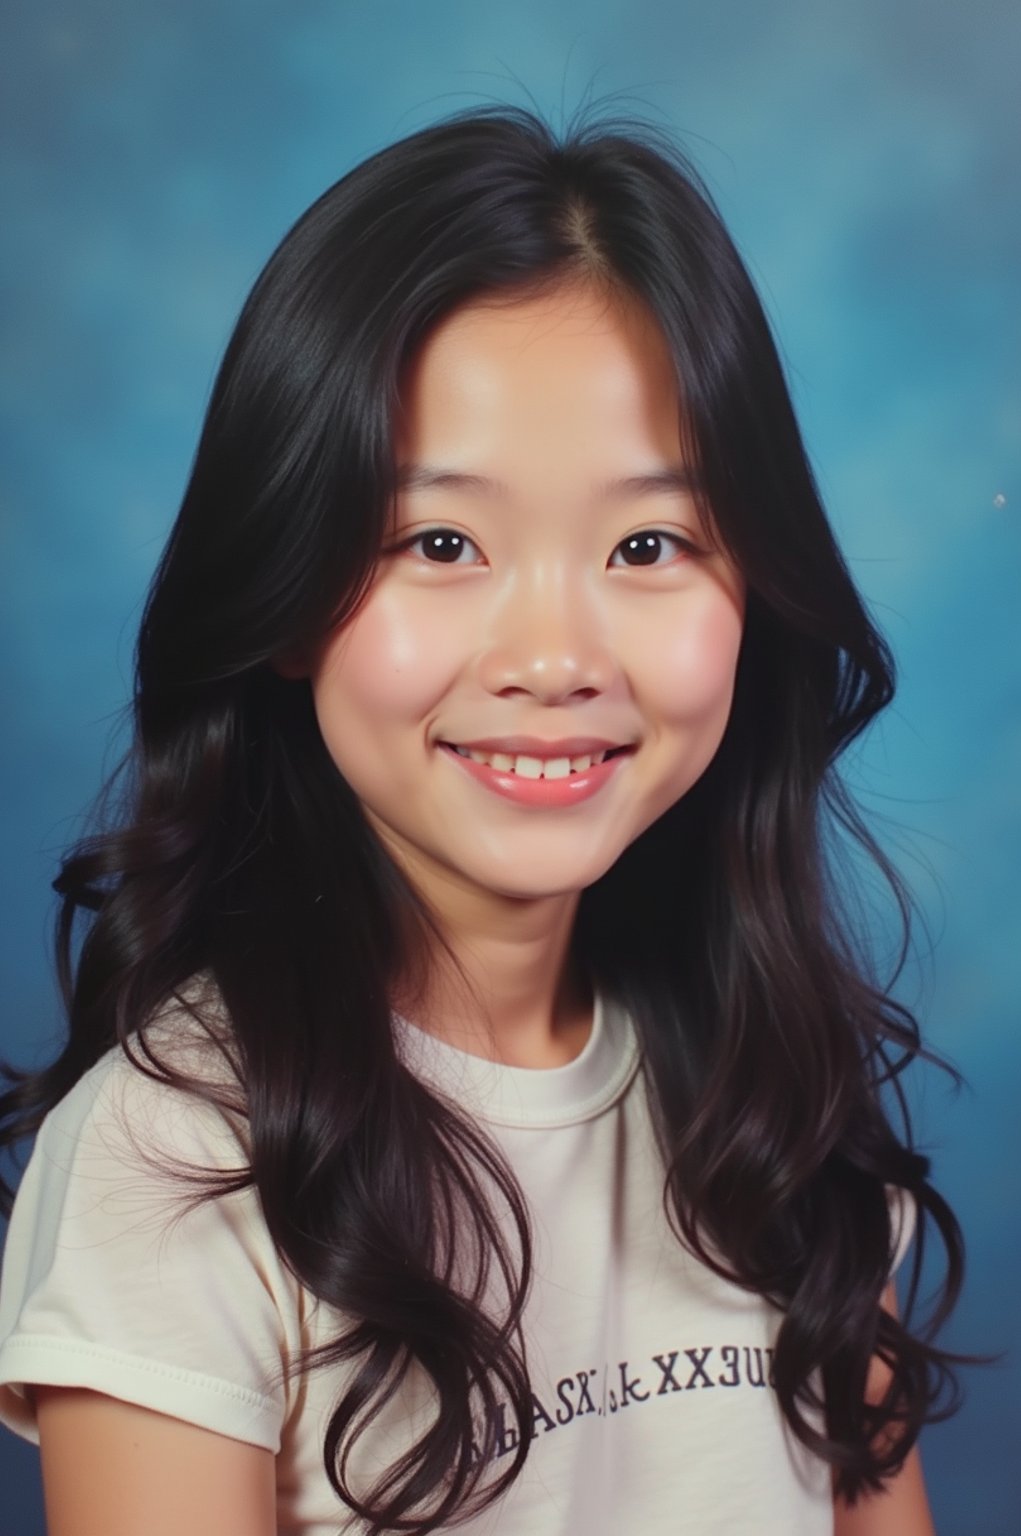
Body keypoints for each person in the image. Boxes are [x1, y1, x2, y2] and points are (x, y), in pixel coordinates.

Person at [0, 104, 969, 1535]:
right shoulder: (177, 1160)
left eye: (650, 544)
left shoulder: (770, 1090)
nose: (555, 654)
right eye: (440, 543)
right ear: (283, 596)